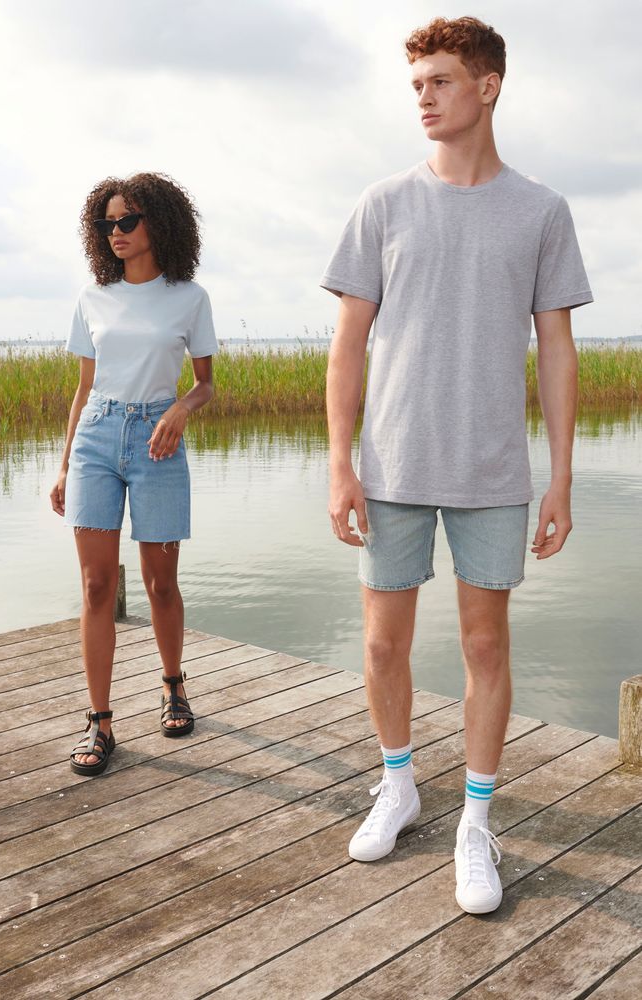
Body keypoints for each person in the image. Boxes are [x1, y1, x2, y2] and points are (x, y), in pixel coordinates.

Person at [321, 16, 592, 914]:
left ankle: (476, 822)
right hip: (391, 464)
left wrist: (560, 476)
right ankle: (397, 784)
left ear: (487, 86)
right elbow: (347, 344)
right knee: (380, 643)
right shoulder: (382, 203)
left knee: (483, 644)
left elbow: (556, 349)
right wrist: (338, 463)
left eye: (439, 81)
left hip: (491, 471)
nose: (424, 98)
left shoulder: (541, 210)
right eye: (415, 85)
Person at [50, 172, 218, 777]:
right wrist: (65, 465)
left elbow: (205, 384)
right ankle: (100, 722)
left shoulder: (189, 298)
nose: (116, 232)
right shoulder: (93, 297)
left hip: (157, 442)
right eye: (107, 223)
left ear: (158, 224)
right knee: (96, 586)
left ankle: (173, 685)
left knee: (160, 583)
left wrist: (179, 409)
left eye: (127, 220)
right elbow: (83, 388)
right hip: (97, 437)